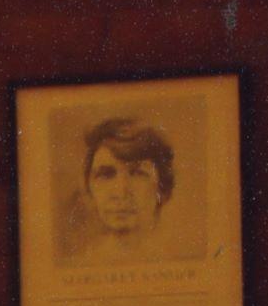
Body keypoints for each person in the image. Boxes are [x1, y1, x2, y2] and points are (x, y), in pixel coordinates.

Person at [52, 114, 199, 266]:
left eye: (137, 173)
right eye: (106, 175)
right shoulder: (83, 263)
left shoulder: (182, 258)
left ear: (162, 188)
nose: (121, 192)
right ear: (89, 187)